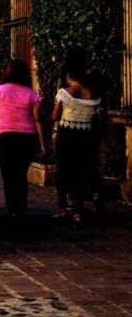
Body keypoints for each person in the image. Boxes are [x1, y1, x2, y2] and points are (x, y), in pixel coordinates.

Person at [0, 59, 45, 218]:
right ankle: (21, 206)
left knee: (8, 173)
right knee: (21, 173)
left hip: (6, 137)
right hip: (27, 138)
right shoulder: (32, 93)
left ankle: (11, 206)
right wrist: (42, 143)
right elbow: (37, 118)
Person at [52, 66, 102, 225]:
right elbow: (96, 116)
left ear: (69, 76)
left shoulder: (64, 93)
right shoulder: (93, 94)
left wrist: (55, 129)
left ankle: (62, 207)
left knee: (63, 170)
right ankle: (78, 211)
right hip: (85, 135)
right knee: (79, 172)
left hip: (67, 134)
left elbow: (55, 114)